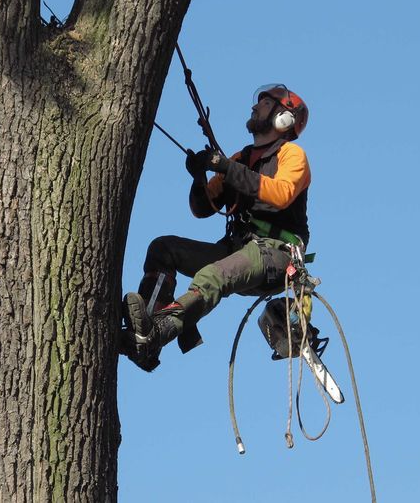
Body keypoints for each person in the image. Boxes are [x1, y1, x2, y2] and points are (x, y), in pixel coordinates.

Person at [121, 83, 311, 372]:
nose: (255, 106)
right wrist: (199, 177)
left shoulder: (291, 154)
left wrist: (225, 167)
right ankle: (144, 337)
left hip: (276, 253)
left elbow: (282, 193)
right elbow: (203, 208)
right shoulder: (241, 159)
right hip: (238, 249)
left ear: (283, 117)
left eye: (264, 103)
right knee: (163, 249)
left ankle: (160, 331)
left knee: (211, 275)